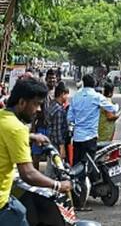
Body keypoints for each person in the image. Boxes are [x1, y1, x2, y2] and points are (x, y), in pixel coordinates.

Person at [0, 78, 72, 225]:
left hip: (7, 194)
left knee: (21, 209)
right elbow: (28, 174)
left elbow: (6, 132)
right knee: (19, 215)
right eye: (36, 104)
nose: (39, 109)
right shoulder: (17, 129)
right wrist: (58, 185)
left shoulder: (3, 116)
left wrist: (31, 136)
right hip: (1, 204)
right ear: (22, 103)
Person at [68, 74, 119, 189]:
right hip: (90, 137)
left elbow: (69, 118)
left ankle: (79, 191)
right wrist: (116, 106)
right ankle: (89, 185)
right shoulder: (97, 96)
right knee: (88, 166)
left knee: (77, 166)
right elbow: (112, 109)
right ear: (94, 84)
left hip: (77, 138)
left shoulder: (76, 97)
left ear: (83, 83)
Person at [31, 69, 57, 169]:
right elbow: (35, 113)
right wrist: (33, 129)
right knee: (36, 155)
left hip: (53, 130)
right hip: (41, 128)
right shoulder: (42, 93)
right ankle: (35, 177)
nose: (52, 80)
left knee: (53, 156)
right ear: (46, 79)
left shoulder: (57, 93)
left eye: (53, 78)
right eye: (50, 78)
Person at [46, 83, 70, 160]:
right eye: (67, 95)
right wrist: (62, 147)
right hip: (56, 145)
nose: (67, 97)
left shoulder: (52, 105)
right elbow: (58, 131)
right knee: (55, 167)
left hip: (51, 141)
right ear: (62, 94)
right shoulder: (58, 110)